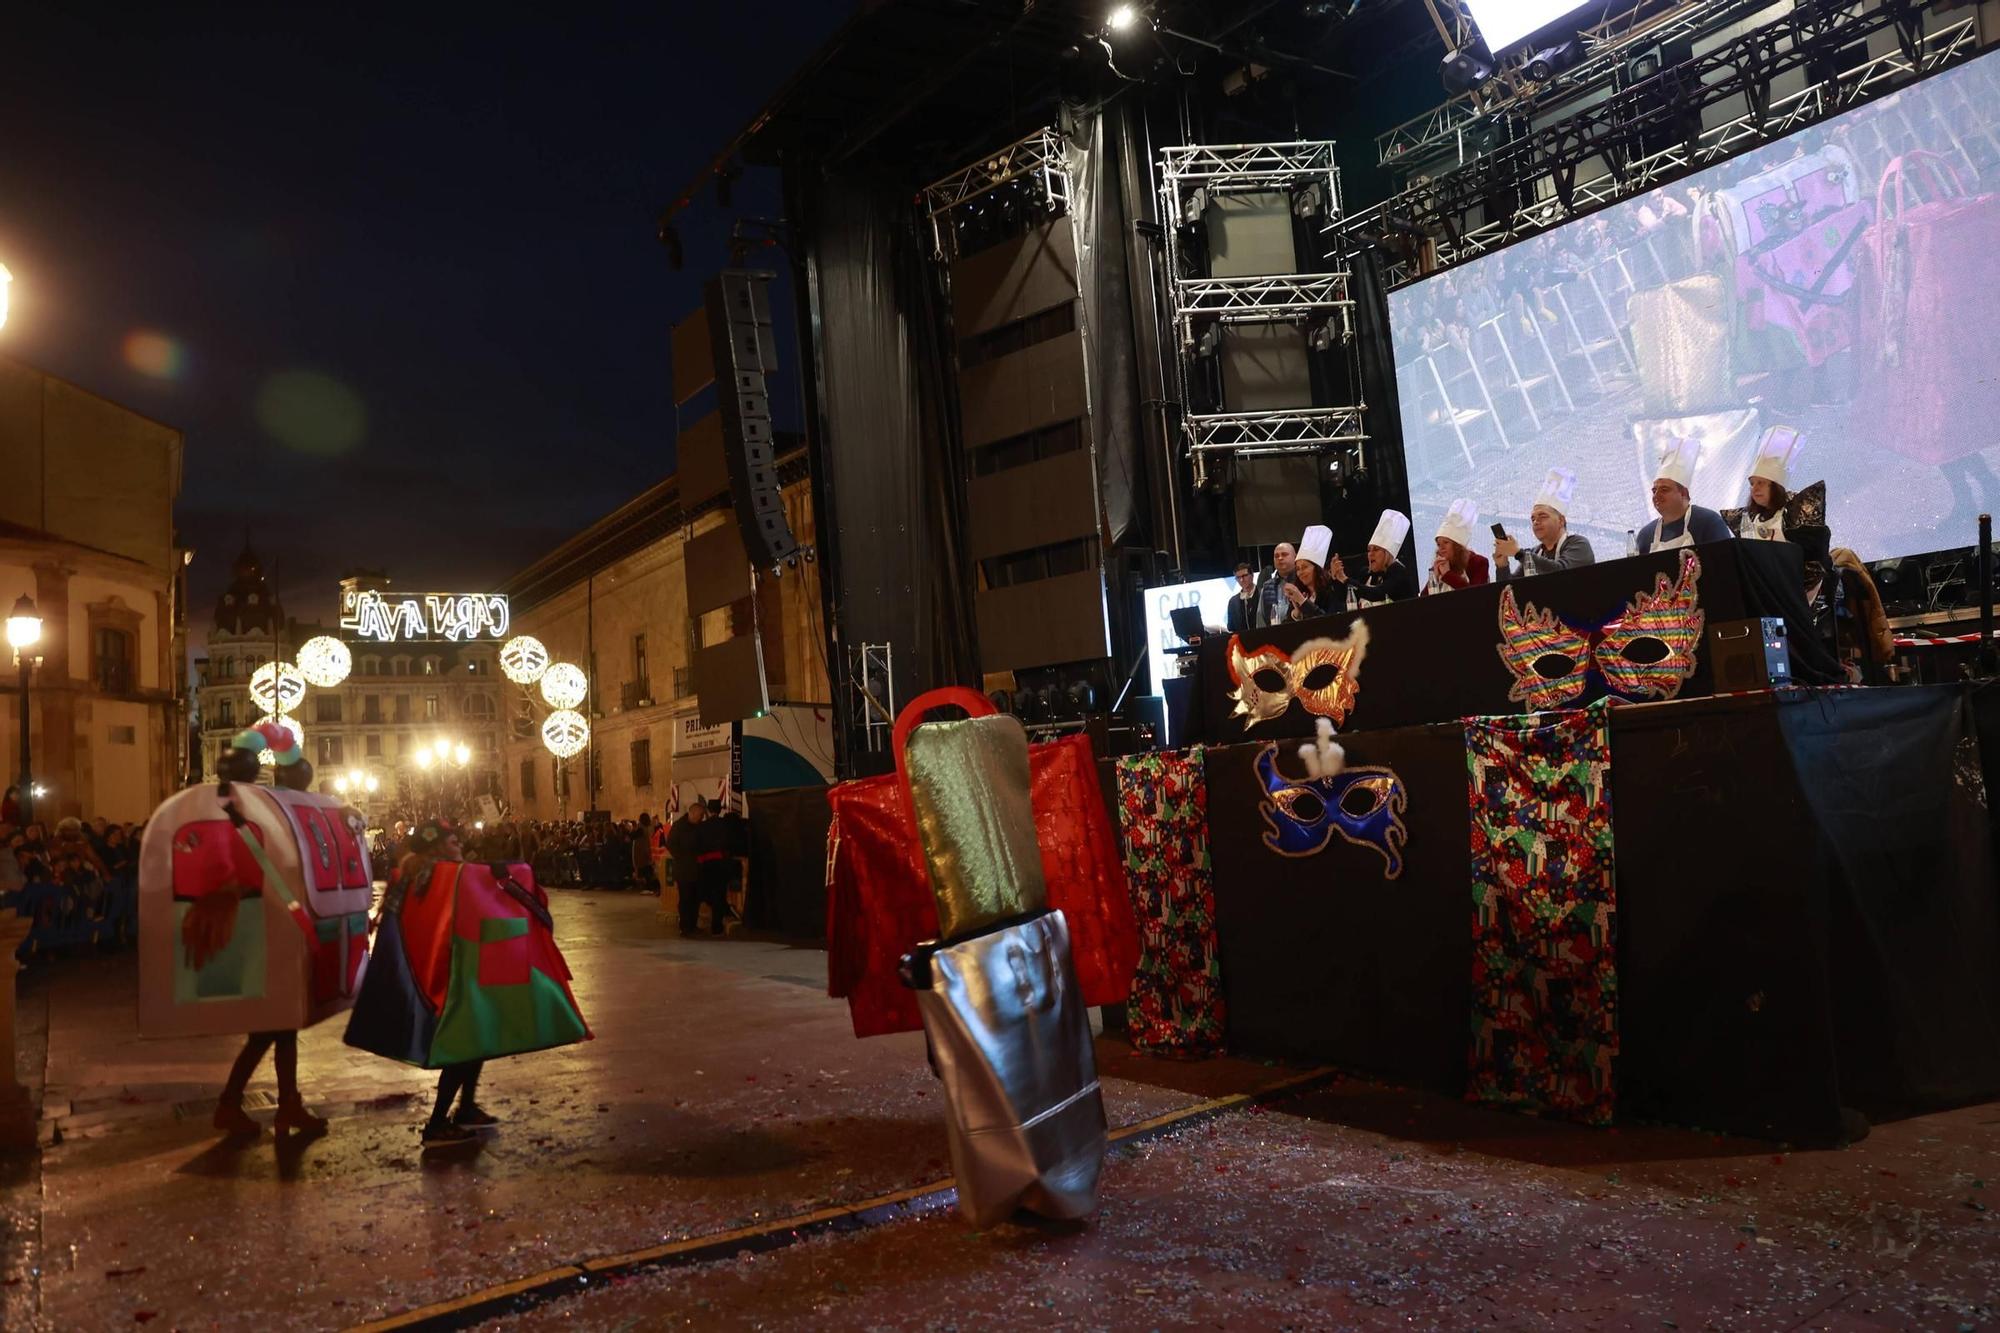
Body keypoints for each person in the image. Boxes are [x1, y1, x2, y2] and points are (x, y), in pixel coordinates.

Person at [1495, 468, 1596, 580]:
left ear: (1561, 520)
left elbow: (1560, 572)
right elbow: (1511, 589)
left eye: (1543, 516)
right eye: (1533, 519)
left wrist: (1518, 553)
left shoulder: (1579, 544)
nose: (1536, 522)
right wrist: (1502, 566)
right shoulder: (1535, 552)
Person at [1637, 438, 1734, 553]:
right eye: (1654, 490)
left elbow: (1726, 564)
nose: (1656, 495)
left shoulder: (1708, 522)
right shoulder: (1645, 536)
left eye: (1664, 489)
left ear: (1684, 493)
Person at [1333, 510, 1417, 607]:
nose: (1370, 554)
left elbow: (1377, 594)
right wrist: (1336, 578)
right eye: (1369, 550)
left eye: (1376, 550)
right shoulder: (1365, 574)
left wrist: (1345, 579)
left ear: (1388, 554)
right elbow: (1345, 599)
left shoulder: (1398, 572)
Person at [666, 800, 714, 934]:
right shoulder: (679, 826)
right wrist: (682, 856)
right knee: (685, 899)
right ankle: (685, 926)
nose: (701, 818)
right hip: (684, 870)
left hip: (697, 869)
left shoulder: (699, 827)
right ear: (692, 813)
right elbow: (670, 844)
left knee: (696, 899)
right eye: (700, 815)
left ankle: (692, 925)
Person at [1424, 499, 1490, 595]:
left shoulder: (1478, 562)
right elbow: (1422, 601)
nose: (1441, 548)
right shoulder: (1440, 566)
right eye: (1438, 544)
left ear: (1457, 546)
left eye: (1446, 542)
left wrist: (1448, 575)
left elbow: (1476, 596)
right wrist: (1434, 577)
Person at [1280, 525, 1345, 621]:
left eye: (1305, 567)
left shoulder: (1331, 590)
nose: (1300, 572)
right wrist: (1297, 613)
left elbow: (1329, 621)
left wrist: (1303, 601)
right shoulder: (1301, 592)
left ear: (1317, 569)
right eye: (1298, 569)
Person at [1255, 542, 1296, 627]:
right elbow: (1260, 620)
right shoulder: (1267, 586)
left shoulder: (1302, 581)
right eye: (1276, 556)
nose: (1280, 558)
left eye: (1284, 554)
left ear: (1295, 557)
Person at [1225, 562, 1258, 634]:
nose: (1241, 580)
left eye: (1244, 576)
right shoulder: (1233, 602)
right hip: (1242, 641)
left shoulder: (1262, 594)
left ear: (1252, 575)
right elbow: (1231, 627)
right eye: (1238, 577)